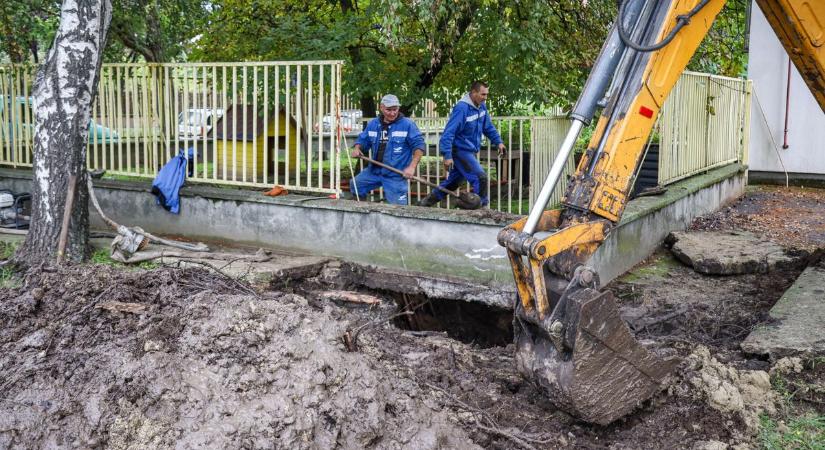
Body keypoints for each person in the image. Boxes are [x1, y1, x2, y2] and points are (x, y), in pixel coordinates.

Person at [418, 81, 505, 208]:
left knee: (453, 183)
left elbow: (488, 127)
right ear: (473, 92)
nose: (485, 98)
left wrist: (499, 142)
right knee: (481, 178)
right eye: (483, 94)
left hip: (469, 150)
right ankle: (482, 208)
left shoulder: (482, 106)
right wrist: (447, 156)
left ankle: (424, 204)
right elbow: (448, 133)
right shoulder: (462, 108)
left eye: (486, 95)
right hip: (460, 150)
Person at [347, 94, 425, 205]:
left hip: (395, 174)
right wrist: (357, 148)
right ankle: (361, 209)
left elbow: (419, 146)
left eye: (395, 109)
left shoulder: (408, 125)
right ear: (381, 107)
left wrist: (411, 167)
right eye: (389, 110)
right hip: (374, 171)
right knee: (356, 184)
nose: (393, 113)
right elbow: (363, 139)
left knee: (398, 209)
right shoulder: (373, 124)